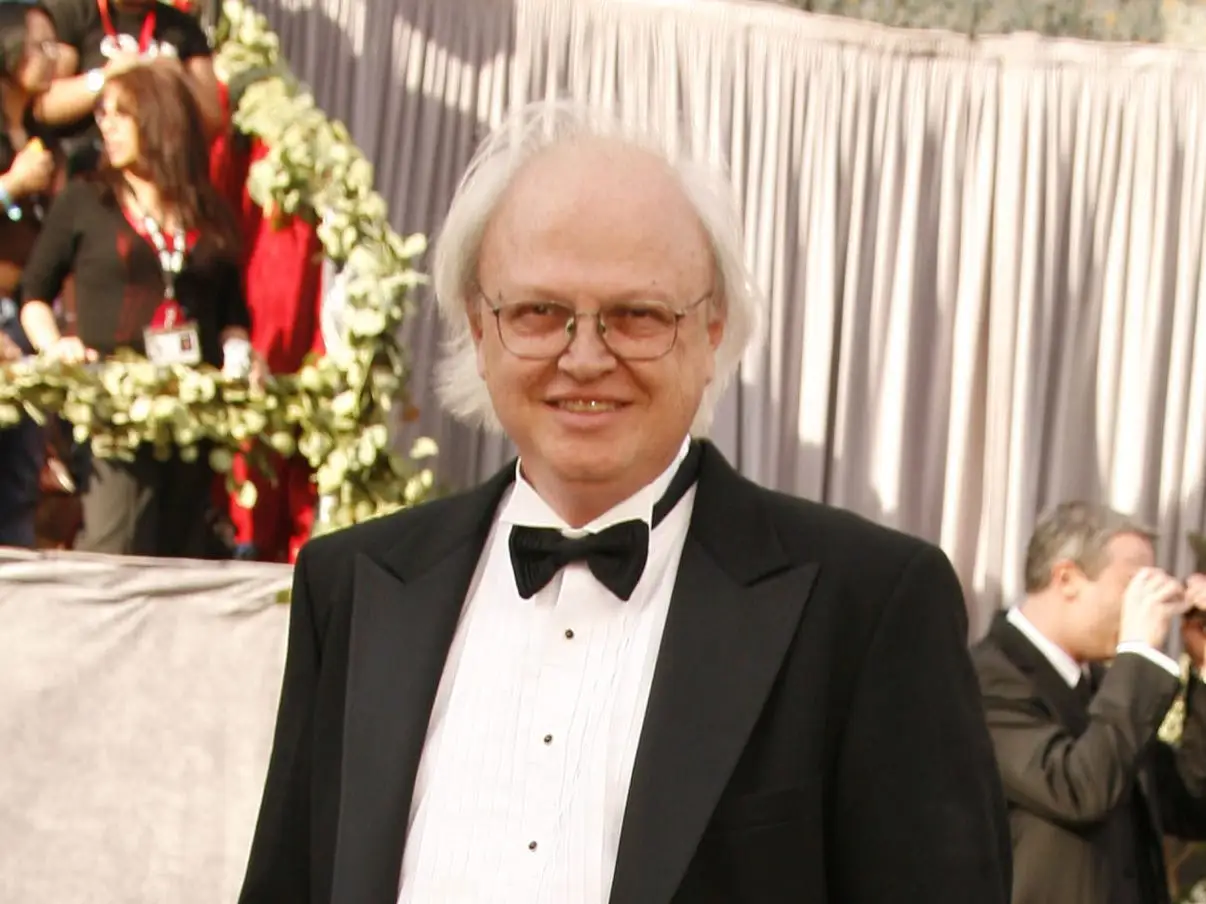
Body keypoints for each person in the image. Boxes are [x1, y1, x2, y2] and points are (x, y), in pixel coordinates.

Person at [237, 102, 1011, 904]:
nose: (584, 358)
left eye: (636, 316)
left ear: (712, 330)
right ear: (478, 323)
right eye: (539, 313)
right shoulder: (354, 584)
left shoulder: (871, 605)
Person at [18, 62, 253, 557]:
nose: (107, 126)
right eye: (102, 115)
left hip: (193, 408)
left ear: (159, 119)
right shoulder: (86, 200)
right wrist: (54, 346)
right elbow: (34, 294)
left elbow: (232, 309)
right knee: (116, 538)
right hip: (111, 407)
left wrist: (238, 354)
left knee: (183, 545)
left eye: (121, 115)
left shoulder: (207, 209)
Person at [972, 502, 1206, 904]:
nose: (1144, 605)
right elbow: (1079, 788)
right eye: (1133, 586)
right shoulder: (987, 678)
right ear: (1067, 579)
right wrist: (1138, 656)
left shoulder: (1107, 687)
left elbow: (1191, 805)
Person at [0, 0, 61, 547]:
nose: (52, 58)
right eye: (40, 46)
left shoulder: (40, 128)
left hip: (24, 315)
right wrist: (9, 188)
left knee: (21, 475)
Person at [33, 0, 221, 175]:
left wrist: (176, 77)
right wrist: (105, 77)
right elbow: (45, 104)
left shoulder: (182, 27)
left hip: (162, 173)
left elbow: (213, 119)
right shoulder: (74, 11)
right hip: (89, 169)